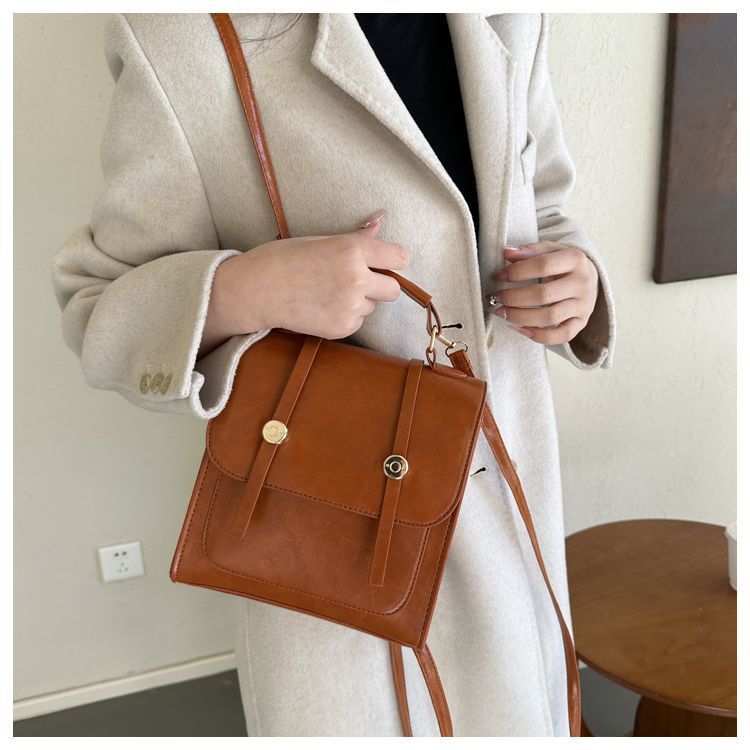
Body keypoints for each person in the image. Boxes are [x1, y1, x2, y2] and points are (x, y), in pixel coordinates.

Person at [50, 12, 616, 737]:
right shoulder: (179, 32)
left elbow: (542, 207)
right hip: (333, 547)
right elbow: (98, 306)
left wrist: (576, 280)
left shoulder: (513, 16)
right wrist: (252, 287)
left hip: (511, 504)